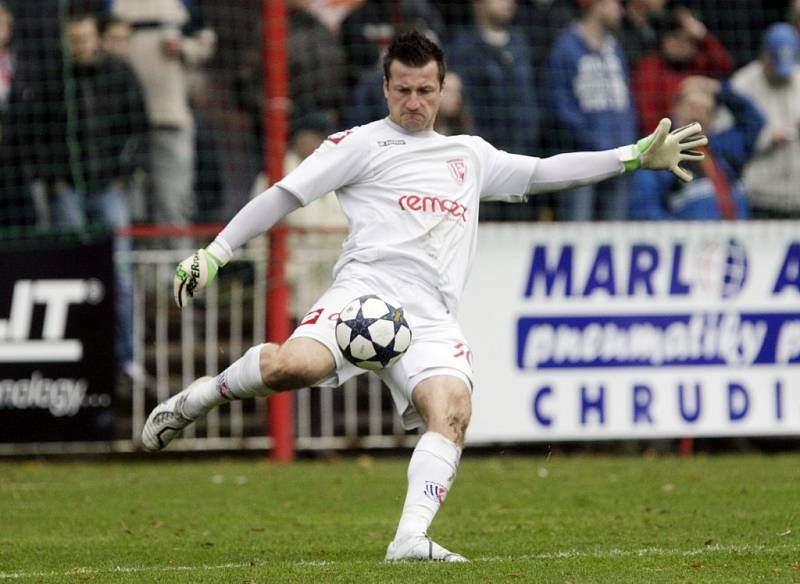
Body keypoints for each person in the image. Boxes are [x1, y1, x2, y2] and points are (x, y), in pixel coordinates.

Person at [142, 31, 706, 562]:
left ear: (443, 88)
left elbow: (544, 172)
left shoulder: (469, 155)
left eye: (426, 90)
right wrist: (215, 252)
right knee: (290, 367)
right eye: (404, 90)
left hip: (431, 319)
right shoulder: (360, 144)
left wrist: (632, 155)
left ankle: (410, 538)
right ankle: (200, 398)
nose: (415, 102)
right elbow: (283, 196)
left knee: (453, 412)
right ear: (387, 88)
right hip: (361, 298)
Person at [16, 12, 147, 375]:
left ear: (96, 37)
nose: (82, 47)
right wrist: (53, 178)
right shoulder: (52, 80)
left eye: (87, 38)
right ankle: (76, 357)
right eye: (75, 40)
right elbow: (32, 133)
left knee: (119, 273)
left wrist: (122, 173)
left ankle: (126, 356)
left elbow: (138, 127)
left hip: (108, 188)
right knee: (69, 272)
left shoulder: (119, 74)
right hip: (67, 190)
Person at [105, 0, 216, 231]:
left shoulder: (184, 4)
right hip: (121, 120)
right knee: (128, 204)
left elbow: (207, 42)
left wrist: (183, 47)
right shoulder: (114, 4)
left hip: (170, 116)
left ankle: (178, 265)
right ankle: (134, 265)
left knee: (172, 202)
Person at [547, 0, 637, 221]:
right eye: (615, 4)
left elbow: (626, 98)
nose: (620, 10)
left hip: (620, 155)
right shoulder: (566, 47)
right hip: (582, 157)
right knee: (578, 225)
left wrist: (628, 140)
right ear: (598, 6)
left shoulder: (615, 47)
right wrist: (589, 137)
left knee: (614, 229)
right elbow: (560, 102)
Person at [629, 76, 764, 220]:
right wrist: (684, 237)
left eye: (706, 110)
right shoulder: (656, 154)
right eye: (691, 107)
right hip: (690, 239)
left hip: (737, 238)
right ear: (675, 109)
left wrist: (718, 89)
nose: (697, 115)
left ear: (713, 119)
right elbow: (644, 213)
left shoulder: (725, 147)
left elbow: (754, 121)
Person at [731, 23, 800, 219]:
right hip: (759, 198)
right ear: (764, 55)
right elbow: (725, 138)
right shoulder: (742, 85)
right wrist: (767, 137)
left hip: (797, 197)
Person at [632, 5, 733, 134]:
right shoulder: (649, 68)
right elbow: (647, 118)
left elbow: (725, 66)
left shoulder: (699, 65)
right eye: (676, 37)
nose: (681, 45)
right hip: (661, 140)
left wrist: (704, 36)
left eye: (688, 41)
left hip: (701, 139)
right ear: (664, 39)